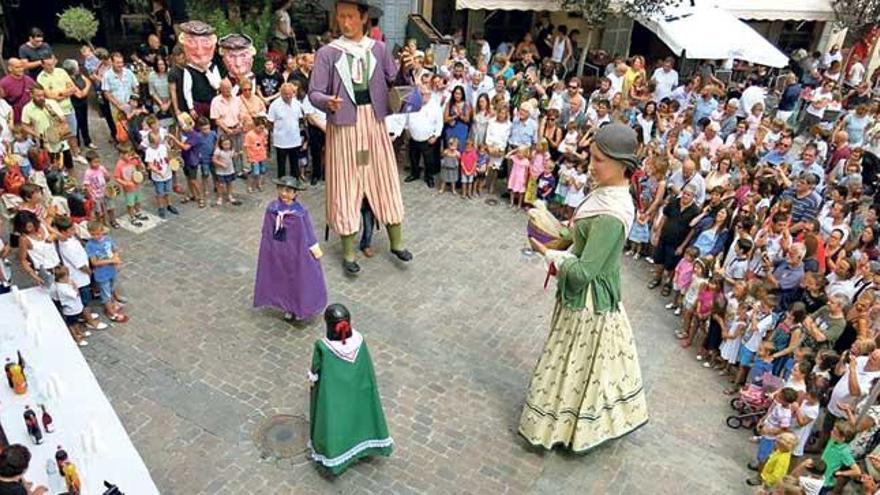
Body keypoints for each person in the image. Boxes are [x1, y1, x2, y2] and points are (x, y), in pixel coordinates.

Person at [520, 123, 648, 453]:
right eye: (591, 157)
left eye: (599, 160)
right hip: (582, 301)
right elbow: (581, 242)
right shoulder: (605, 192)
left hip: (588, 306)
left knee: (572, 367)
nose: (591, 165)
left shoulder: (612, 212)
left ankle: (560, 429)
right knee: (581, 370)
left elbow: (583, 273)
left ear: (623, 165)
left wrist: (548, 252)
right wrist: (553, 225)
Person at [308, 0, 416, 275]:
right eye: (340, 16)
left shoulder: (379, 49)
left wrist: (407, 68)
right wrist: (326, 101)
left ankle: (397, 242)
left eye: (351, 16)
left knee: (385, 177)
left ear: (364, 17)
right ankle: (348, 251)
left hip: (375, 121)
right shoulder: (327, 53)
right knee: (345, 183)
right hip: (343, 125)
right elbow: (314, 92)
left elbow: (396, 81)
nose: (345, 22)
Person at [308, 303, 393, 474]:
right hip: (359, 390)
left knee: (334, 419)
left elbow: (315, 371)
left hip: (334, 396)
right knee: (360, 414)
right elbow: (366, 367)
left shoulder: (323, 347)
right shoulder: (360, 341)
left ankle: (336, 454)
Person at [253, 176, 327, 321]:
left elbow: (308, 232)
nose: (284, 194)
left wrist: (313, 248)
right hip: (278, 253)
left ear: (295, 194)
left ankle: (298, 308)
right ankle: (287, 307)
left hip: (297, 254)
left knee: (298, 280)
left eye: (288, 191)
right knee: (283, 281)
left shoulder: (300, 213)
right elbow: (267, 231)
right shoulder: (272, 210)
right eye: (281, 189)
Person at [85, 221, 128, 323]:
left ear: (102, 231)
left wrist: (116, 261)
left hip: (111, 270)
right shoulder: (90, 245)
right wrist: (112, 261)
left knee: (112, 287)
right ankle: (111, 312)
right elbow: (94, 262)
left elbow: (115, 250)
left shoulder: (108, 239)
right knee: (105, 294)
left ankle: (113, 304)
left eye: (98, 233)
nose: (96, 236)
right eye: (93, 234)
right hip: (101, 273)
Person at [267, 83, 305, 179]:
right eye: (285, 94)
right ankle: (282, 184)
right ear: (281, 93)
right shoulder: (274, 105)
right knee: (281, 165)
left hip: (294, 139)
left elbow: (300, 119)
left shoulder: (297, 104)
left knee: (294, 164)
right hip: (281, 141)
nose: (288, 96)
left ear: (293, 93)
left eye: (290, 94)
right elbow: (270, 123)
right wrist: (277, 132)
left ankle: (295, 182)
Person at [0, 58, 35, 124]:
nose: (21, 69)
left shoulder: (28, 79)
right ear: (10, 69)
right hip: (16, 119)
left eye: (21, 67)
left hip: (31, 116)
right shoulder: (4, 83)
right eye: (17, 67)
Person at [244, 117, 269, 193]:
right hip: (253, 157)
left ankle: (259, 184)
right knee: (254, 172)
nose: (261, 130)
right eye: (260, 128)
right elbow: (246, 146)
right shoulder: (249, 135)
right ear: (255, 126)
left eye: (263, 128)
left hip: (262, 156)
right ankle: (250, 186)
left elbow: (264, 144)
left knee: (262, 171)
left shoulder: (263, 133)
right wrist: (248, 157)